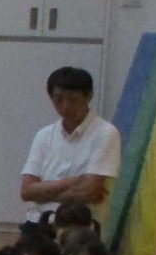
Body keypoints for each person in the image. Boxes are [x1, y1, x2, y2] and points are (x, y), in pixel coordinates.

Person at [19, 66, 122, 227]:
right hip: (37, 222)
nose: (65, 106)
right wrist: (70, 182)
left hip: (80, 226)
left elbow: (90, 192)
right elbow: (26, 192)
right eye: (58, 99)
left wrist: (42, 193)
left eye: (73, 99)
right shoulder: (44, 135)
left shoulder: (106, 133)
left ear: (88, 96)